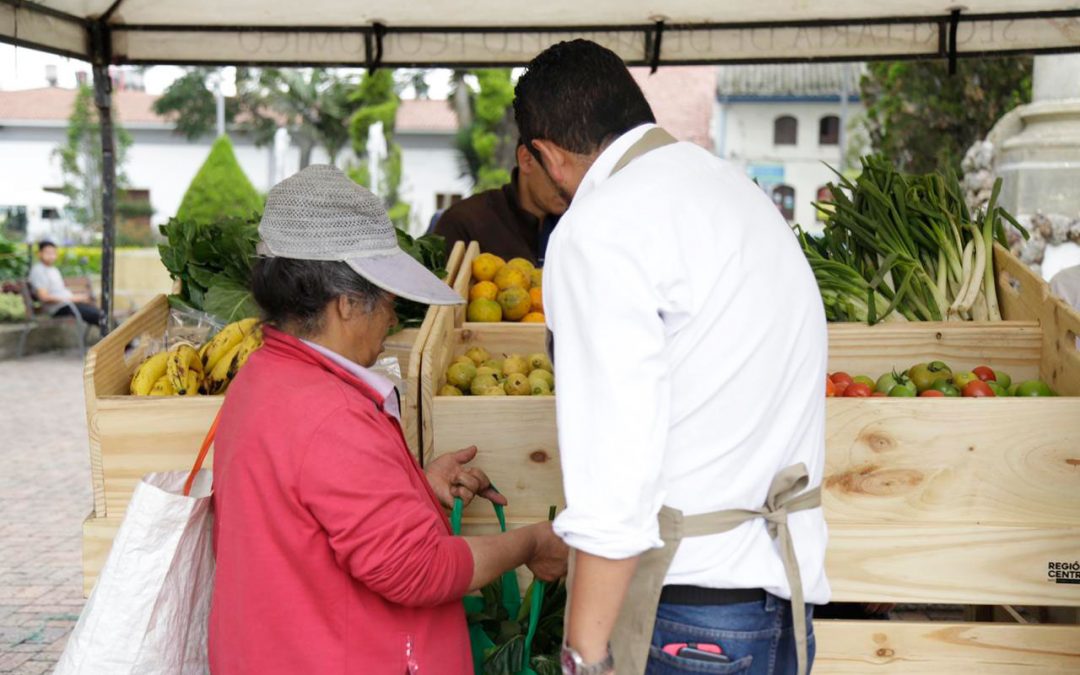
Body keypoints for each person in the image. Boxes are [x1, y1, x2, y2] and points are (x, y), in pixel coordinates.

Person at [514, 41, 830, 675]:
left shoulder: (599, 228)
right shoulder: (733, 190)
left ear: (545, 154)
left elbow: (614, 467)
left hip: (687, 614)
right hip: (780, 602)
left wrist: (583, 655)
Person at [208, 165, 568, 674]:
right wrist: (531, 542)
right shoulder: (330, 415)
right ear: (348, 304)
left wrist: (413, 488)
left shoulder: (265, 379)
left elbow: (313, 514)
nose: (393, 318)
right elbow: (418, 570)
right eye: (387, 301)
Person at [434, 141, 568, 265]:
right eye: (560, 167)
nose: (570, 183)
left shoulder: (581, 224)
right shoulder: (464, 222)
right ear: (526, 159)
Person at [28, 240, 101, 325]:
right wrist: (73, 298)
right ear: (39, 254)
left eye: (53, 253)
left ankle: (112, 336)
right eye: (48, 253)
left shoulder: (53, 269)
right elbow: (44, 297)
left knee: (102, 314)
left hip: (69, 304)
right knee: (100, 316)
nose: (51, 256)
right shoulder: (39, 271)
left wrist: (78, 298)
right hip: (60, 308)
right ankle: (113, 337)